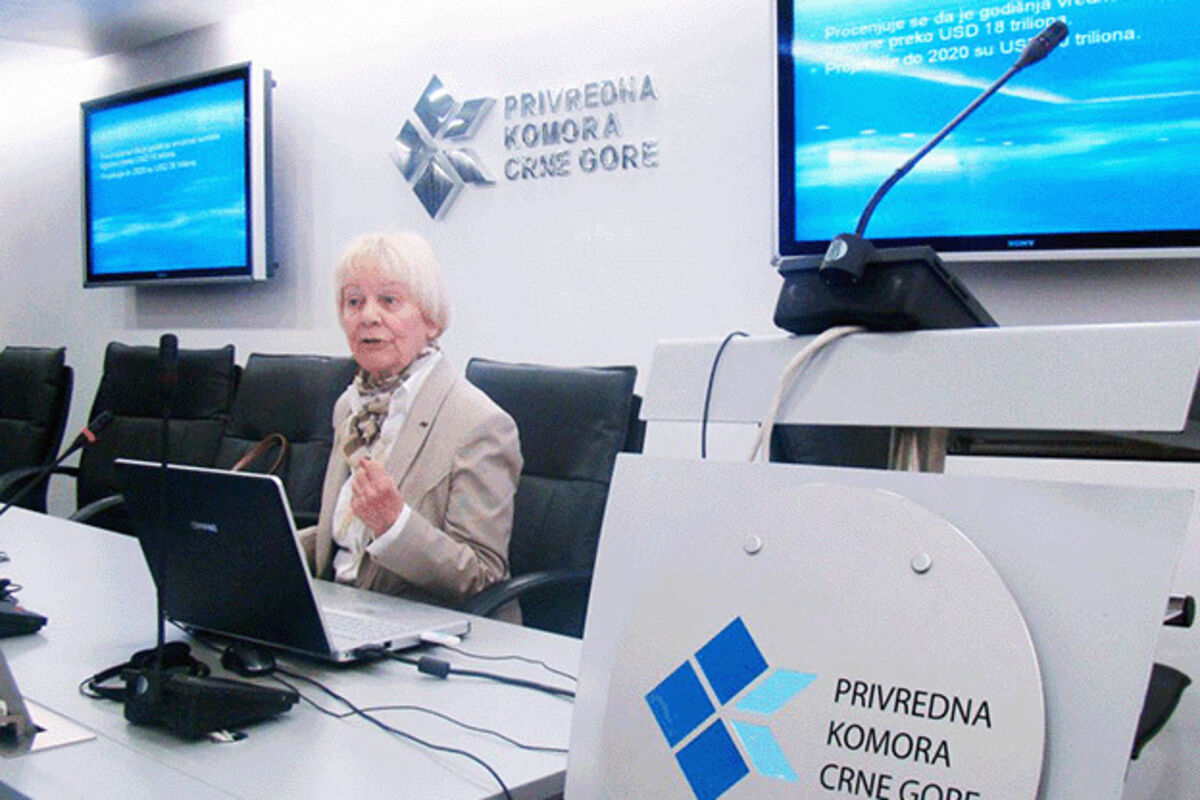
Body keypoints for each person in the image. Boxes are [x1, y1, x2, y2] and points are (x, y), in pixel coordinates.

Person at [299, 231, 522, 621]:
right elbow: (347, 536)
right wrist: (266, 543)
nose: (368, 316)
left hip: (426, 628)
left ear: (431, 320)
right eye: (354, 301)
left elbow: (483, 576)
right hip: (340, 612)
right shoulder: (350, 407)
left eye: (389, 300)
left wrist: (394, 524)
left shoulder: (480, 424)